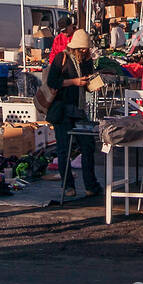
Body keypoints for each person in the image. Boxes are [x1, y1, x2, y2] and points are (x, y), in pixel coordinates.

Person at [46, 29, 103, 198]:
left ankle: (91, 185)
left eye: (86, 48)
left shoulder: (87, 61)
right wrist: (74, 82)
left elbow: (86, 83)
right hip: (62, 109)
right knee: (64, 149)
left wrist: (92, 84)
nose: (84, 51)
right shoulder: (61, 58)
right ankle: (68, 186)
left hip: (78, 110)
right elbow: (52, 82)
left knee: (88, 146)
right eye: (81, 48)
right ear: (74, 47)